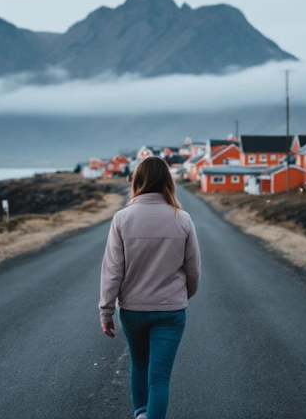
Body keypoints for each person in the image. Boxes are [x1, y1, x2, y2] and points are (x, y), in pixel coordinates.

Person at [99, 156, 201, 419]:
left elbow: (112, 271)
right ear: (168, 181)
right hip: (171, 311)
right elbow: (193, 271)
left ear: (138, 181)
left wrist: (106, 311)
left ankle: (141, 414)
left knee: (140, 365)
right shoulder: (183, 219)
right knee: (160, 378)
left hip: (132, 310)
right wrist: (179, 296)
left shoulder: (121, 219)